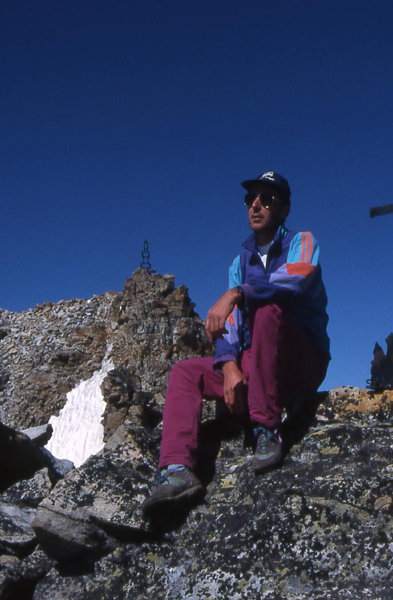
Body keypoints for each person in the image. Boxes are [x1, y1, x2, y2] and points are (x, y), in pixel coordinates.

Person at [142, 170, 330, 514]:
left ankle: (267, 430)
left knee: (269, 309)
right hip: (255, 363)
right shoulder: (238, 264)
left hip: (302, 359)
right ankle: (176, 469)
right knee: (186, 372)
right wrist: (229, 366)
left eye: (267, 199)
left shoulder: (303, 241)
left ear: (284, 209)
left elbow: (293, 284)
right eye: (251, 199)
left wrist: (238, 293)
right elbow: (231, 326)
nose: (256, 205)